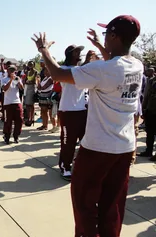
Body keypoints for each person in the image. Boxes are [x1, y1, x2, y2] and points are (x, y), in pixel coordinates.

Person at [32, 15, 142, 237]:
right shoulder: (137, 66)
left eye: (106, 35)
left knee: (84, 204)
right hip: (124, 147)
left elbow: (57, 73)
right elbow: (115, 63)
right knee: (113, 205)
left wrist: (43, 50)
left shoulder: (103, 70)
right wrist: (100, 46)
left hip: (98, 149)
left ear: (113, 35)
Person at [58, 45, 89, 181]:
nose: (80, 54)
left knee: (86, 141)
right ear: (70, 54)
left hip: (82, 110)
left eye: (80, 51)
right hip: (68, 111)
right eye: (77, 51)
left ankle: (80, 165)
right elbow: (76, 76)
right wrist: (87, 62)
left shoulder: (81, 69)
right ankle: (65, 166)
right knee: (68, 142)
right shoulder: (63, 70)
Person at [2, 65, 24, 144]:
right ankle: (7, 136)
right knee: (8, 121)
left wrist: (18, 81)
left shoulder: (17, 79)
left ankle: (16, 136)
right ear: (7, 71)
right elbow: (4, 89)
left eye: (13, 70)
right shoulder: (4, 79)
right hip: (8, 103)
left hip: (17, 102)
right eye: (10, 70)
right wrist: (11, 80)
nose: (12, 72)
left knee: (19, 120)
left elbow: (21, 88)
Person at [37, 67, 54, 131]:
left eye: (47, 71)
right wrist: (38, 81)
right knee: (43, 111)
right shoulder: (44, 78)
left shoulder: (50, 79)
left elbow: (43, 87)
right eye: (45, 71)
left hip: (47, 95)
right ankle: (44, 125)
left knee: (48, 111)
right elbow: (39, 87)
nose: (45, 72)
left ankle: (53, 126)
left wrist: (40, 86)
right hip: (42, 95)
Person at [23, 61, 38, 126]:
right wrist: (26, 82)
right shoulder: (27, 72)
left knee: (31, 104)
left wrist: (29, 82)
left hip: (32, 88)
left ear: (34, 65)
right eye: (29, 65)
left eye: (31, 65)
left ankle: (31, 119)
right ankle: (28, 118)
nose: (30, 66)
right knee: (27, 105)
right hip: (27, 88)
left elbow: (35, 81)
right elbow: (25, 80)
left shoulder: (35, 72)